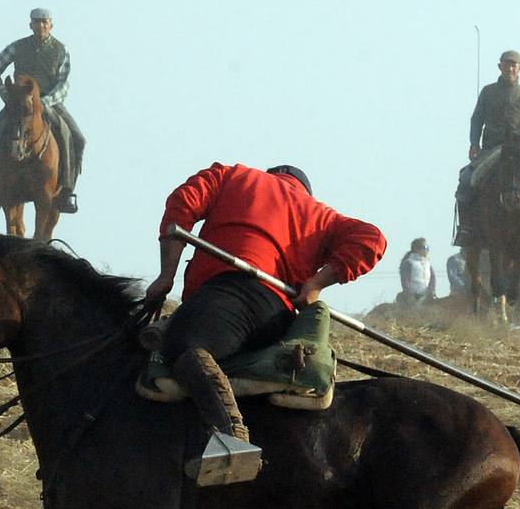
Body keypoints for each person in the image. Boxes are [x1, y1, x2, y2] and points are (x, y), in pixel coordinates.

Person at [146, 163, 386, 481]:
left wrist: (167, 275)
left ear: (270, 175)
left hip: (230, 293)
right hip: (276, 314)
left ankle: (232, 439)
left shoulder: (231, 175)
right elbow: (372, 239)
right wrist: (317, 282)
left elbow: (182, 202)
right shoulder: (321, 215)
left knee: (182, 346)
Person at [0, 8, 85, 214]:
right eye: (36, 22)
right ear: (30, 25)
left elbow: (64, 83)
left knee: (76, 137)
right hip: (18, 103)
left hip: (49, 102)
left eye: (44, 22)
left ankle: (66, 191)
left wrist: (44, 102)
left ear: (51, 25)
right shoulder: (17, 47)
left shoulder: (61, 50)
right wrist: (4, 93)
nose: (41, 26)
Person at [454, 50, 520, 250]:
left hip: (519, 150)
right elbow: (476, 120)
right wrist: (474, 143)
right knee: (466, 179)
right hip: (491, 150)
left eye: (514, 65)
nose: (510, 68)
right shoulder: (487, 92)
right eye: (507, 64)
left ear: (519, 68)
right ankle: (465, 228)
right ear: (500, 66)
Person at [398, 238, 437, 305]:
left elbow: (433, 278)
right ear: (416, 249)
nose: (427, 250)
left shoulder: (427, 263)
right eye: (425, 247)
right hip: (414, 296)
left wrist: (431, 290)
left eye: (428, 248)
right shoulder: (409, 262)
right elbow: (405, 280)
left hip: (427, 295)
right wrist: (410, 294)